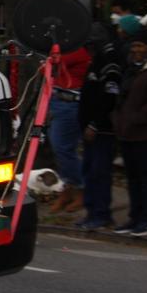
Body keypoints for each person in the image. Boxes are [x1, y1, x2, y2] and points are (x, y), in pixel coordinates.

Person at [75, 23, 123, 230]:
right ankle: (91, 211)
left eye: (91, 45)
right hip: (89, 128)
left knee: (99, 171)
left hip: (102, 129)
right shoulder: (96, 60)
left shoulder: (109, 61)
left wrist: (95, 124)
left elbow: (109, 97)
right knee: (89, 170)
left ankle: (101, 214)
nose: (88, 49)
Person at [111, 28, 147, 236]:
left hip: (144, 134)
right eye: (134, 45)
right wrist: (119, 119)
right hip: (127, 133)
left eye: (141, 46)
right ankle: (134, 217)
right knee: (133, 178)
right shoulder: (130, 70)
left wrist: (137, 118)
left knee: (145, 178)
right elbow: (121, 98)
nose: (137, 50)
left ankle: (146, 219)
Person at [47, 44, 93, 213]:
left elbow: (53, 62)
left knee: (63, 148)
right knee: (59, 147)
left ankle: (80, 188)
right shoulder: (66, 47)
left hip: (70, 103)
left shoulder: (77, 49)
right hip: (58, 100)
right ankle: (69, 187)